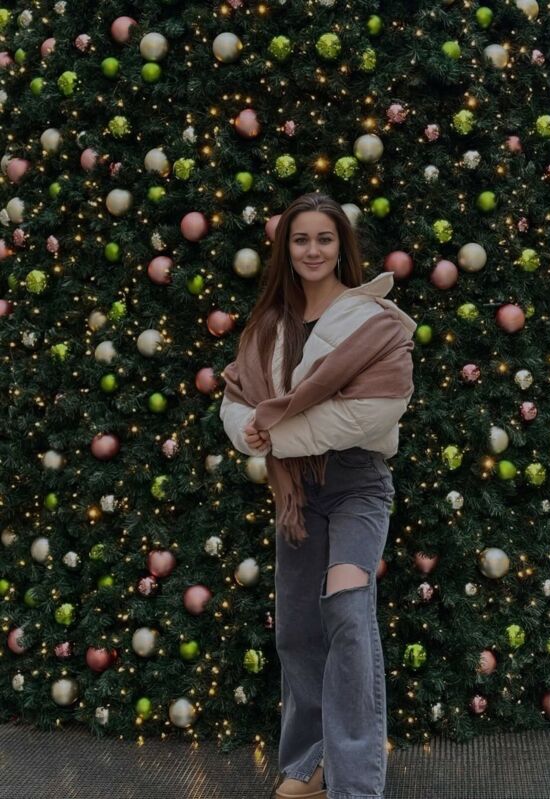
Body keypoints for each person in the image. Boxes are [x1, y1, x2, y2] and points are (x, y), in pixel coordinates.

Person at [219, 193, 416, 799]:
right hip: (297, 493)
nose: (312, 250)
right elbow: (234, 400)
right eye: (301, 239)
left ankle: (356, 785)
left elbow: (375, 410)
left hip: (357, 485)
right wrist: (248, 431)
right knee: (299, 631)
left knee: (348, 615)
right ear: (287, 249)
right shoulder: (268, 326)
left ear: (341, 247)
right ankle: (310, 765)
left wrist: (272, 434)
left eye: (324, 239)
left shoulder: (372, 321)